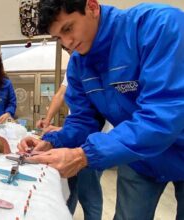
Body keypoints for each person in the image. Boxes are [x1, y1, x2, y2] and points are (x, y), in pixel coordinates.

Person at [18, 0, 184, 219]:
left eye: (68, 28)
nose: (67, 43)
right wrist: (53, 141)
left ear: (92, 7)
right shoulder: (78, 65)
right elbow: (83, 120)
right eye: (58, 37)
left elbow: (163, 115)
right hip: (140, 159)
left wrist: (83, 155)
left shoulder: (157, 25)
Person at [36, 72, 103, 220]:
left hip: (99, 140)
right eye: (67, 50)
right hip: (78, 135)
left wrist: (57, 136)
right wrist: (52, 133)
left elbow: (92, 121)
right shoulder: (76, 64)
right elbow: (80, 119)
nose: (73, 51)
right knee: (70, 189)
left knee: (88, 192)